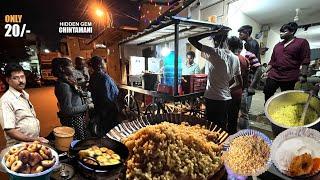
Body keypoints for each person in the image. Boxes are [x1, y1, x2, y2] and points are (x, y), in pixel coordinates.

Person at [188, 28, 242, 131]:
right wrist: (226, 89)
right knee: (222, 128)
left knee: (211, 128)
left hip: (213, 98)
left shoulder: (215, 52)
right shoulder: (236, 58)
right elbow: (239, 83)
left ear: (215, 41)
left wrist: (211, 32)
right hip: (226, 99)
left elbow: (191, 39)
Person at [0, 63, 48, 147]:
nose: (21, 81)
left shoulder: (24, 95)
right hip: (19, 147)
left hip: (32, 143)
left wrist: (37, 137)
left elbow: (30, 118)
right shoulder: (6, 100)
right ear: (8, 80)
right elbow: (10, 130)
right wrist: (34, 139)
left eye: (22, 76)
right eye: (15, 78)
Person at [263, 22, 310, 102]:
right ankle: (267, 108)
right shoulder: (278, 45)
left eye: (284, 31)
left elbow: (305, 60)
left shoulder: (301, 42)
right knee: (267, 91)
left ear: (292, 32)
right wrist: (265, 71)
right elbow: (272, 61)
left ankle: (283, 111)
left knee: (286, 96)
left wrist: (304, 75)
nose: (281, 33)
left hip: (290, 75)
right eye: (280, 31)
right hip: (274, 74)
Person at [52, 57, 94, 140]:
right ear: (62, 69)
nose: (73, 68)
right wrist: (87, 106)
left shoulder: (67, 81)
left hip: (77, 118)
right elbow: (67, 110)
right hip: (73, 121)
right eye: (70, 66)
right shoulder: (63, 86)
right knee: (78, 143)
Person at [88, 56, 119, 137]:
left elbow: (91, 90)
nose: (105, 64)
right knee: (110, 131)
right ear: (99, 65)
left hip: (99, 108)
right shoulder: (104, 77)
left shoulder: (93, 76)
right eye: (103, 62)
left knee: (103, 129)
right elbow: (107, 96)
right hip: (108, 110)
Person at [227, 36, 248, 134]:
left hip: (229, 91)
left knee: (227, 118)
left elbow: (230, 77)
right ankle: (233, 137)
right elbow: (245, 77)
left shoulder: (231, 58)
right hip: (239, 91)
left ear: (229, 46)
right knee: (234, 117)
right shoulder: (245, 59)